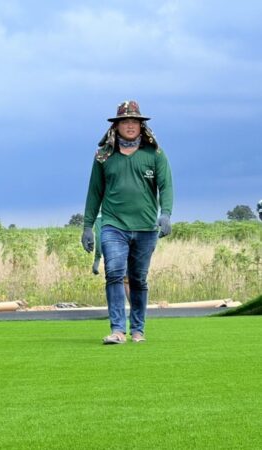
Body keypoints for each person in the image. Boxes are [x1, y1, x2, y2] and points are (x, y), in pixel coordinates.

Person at [81, 100, 173, 344]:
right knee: (114, 272)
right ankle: (118, 330)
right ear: (117, 126)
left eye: (134, 121)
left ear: (141, 126)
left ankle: (138, 330)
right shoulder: (103, 156)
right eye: (125, 121)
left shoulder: (154, 154)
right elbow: (94, 192)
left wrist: (166, 214)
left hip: (145, 227)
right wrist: (87, 226)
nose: (130, 125)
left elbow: (165, 186)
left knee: (138, 279)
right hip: (113, 224)